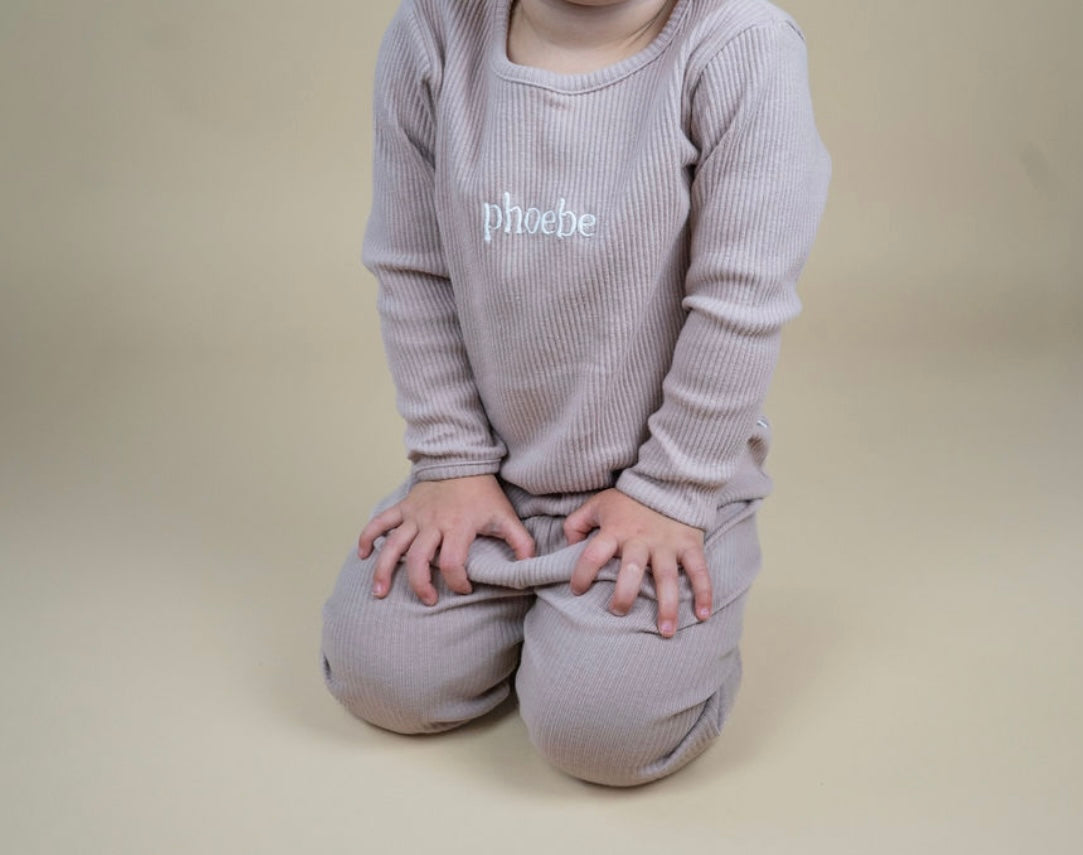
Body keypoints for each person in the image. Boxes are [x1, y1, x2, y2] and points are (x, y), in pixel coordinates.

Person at [321, 0, 831, 787]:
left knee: (599, 730)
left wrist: (673, 489)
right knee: (379, 672)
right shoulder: (434, 30)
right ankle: (533, 611)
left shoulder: (741, 47)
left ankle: (662, 628)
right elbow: (413, 266)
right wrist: (451, 461)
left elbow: (741, 301)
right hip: (492, 477)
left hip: (665, 480)